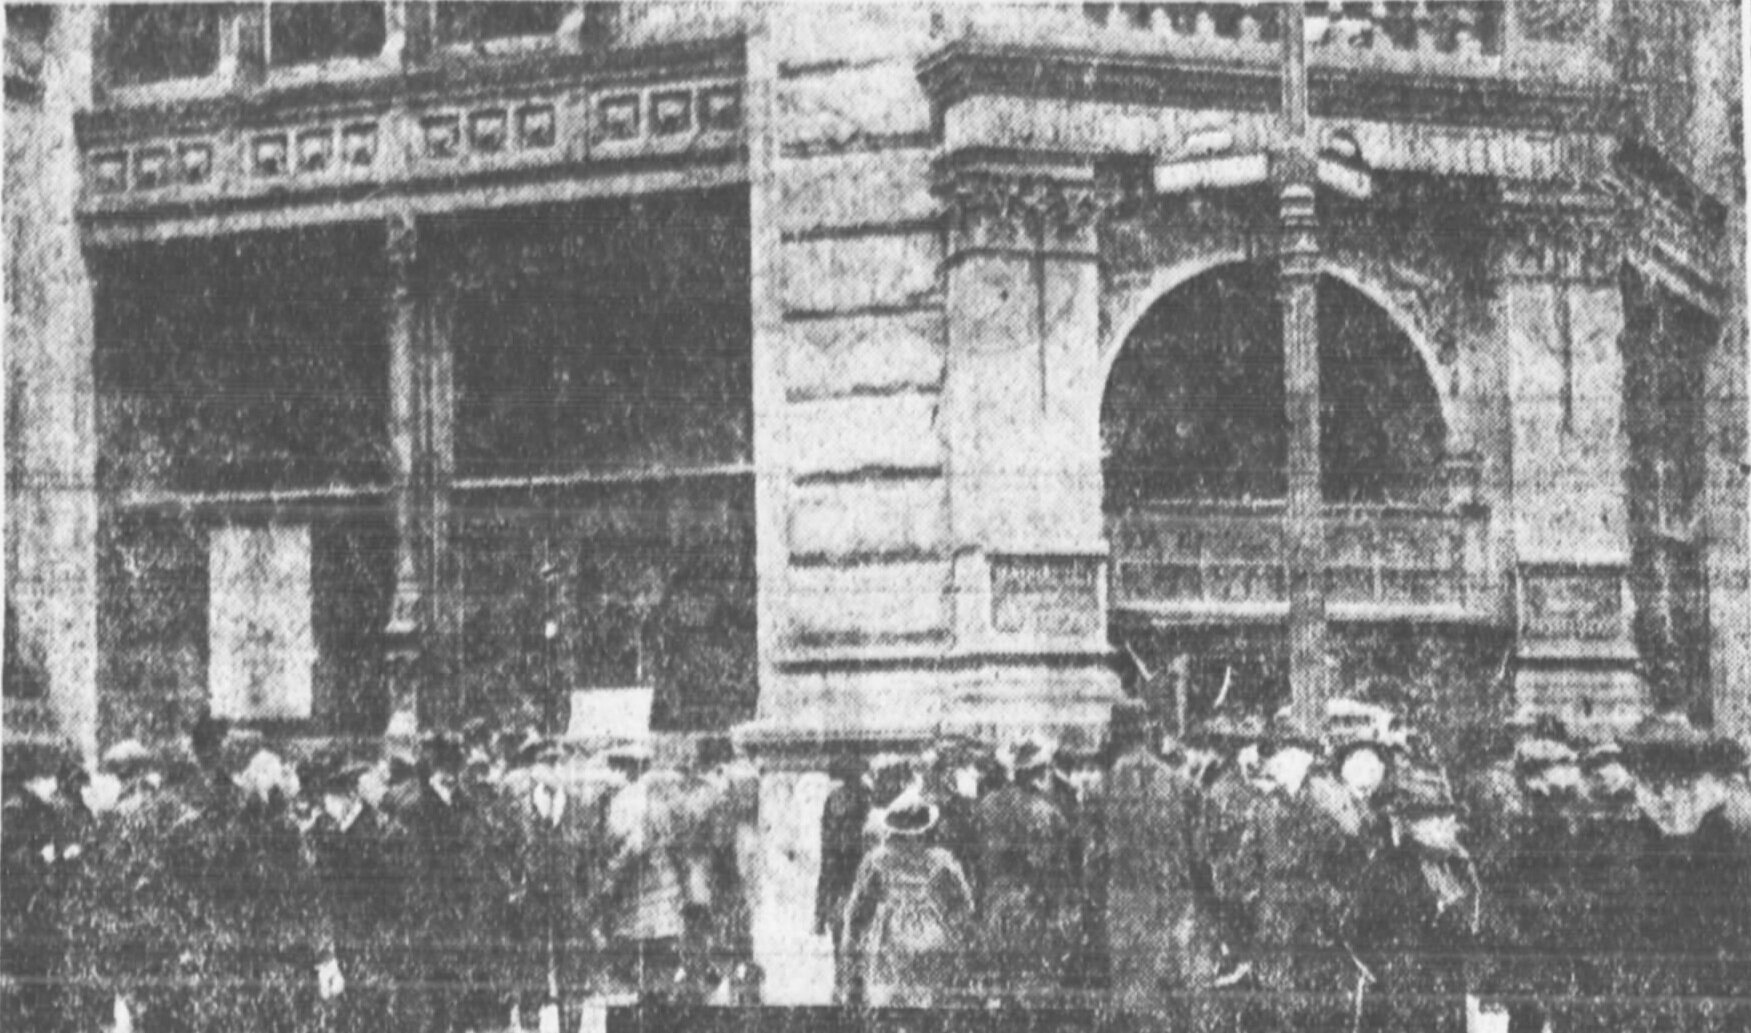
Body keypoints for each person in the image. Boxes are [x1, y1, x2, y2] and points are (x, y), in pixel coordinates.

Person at [1098, 702, 1205, 1016]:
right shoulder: (1183, 786)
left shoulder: (1100, 790)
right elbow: (1200, 857)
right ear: (1148, 731)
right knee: (1177, 1000)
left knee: (1133, 1005)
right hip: (1175, 908)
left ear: (1115, 734)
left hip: (1126, 910)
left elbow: (1093, 863)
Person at [302, 749, 405, 1033]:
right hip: (341, 938)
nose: (324, 806)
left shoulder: (378, 831)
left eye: (328, 798)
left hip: (371, 938)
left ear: (349, 795)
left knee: (371, 1012)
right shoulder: (326, 832)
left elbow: (389, 891)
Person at [841, 794, 976, 1008]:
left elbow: (857, 914)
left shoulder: (877, 861)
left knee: (891, 1005)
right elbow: (964, 907)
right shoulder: (941, 861)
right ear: (926, 829)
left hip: (890, 941)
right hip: (933, 941)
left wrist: (852, 967)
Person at [973, 736, 1075, 1007]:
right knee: (1033, 984)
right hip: (1032, 904)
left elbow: (975, 861)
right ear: (1039, 772)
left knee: (1000, 980)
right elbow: (1059, 871)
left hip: (995, 901)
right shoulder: (1049, 813)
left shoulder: (986, 807)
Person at [594, 745, 691, 1002]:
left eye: (619, 765)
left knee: (643, 966)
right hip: (665, 890)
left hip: (640, 892)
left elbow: (629, 846)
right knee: (659, 966)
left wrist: (610, 879)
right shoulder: (662, 796)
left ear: (628, 767)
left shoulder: (627, 800)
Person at [816, 752, 870, 1003]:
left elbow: (826, 850)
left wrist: (819, 908)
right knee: (857, 935)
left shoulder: (834, 800)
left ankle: (842, 987)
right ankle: (852, 987)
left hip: (841, 872)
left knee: (843, 936)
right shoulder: (866, 799)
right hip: (854, 871)